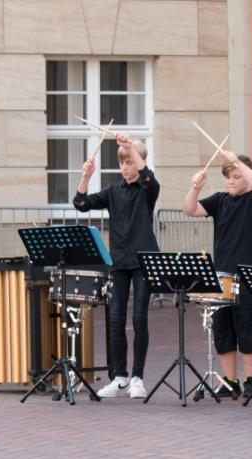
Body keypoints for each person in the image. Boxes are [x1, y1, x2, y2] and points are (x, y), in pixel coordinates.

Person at [73, 133, 160, 399]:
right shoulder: (113, 190)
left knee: (139, 319)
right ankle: (119, 377)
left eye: (129, 161)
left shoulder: (148, 189)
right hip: (119, 261)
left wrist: (130, 146)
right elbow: (81, 203)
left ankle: (137, 377)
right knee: (115, 319)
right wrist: (86, 176)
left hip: (143, 261)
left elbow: (148, 177)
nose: (125, 166)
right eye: (122, 162)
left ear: (139, 161)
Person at [183, 152, 252, 399]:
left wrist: (240, 163)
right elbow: (189, 209)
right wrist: (194, 188)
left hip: (249, 274)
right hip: (221, 275)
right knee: (223, 329)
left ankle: (251, 380)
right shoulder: (220, 200)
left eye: (236, 177)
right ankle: (230, 381)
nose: (231, 181)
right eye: (228, 177)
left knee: (248, 326)